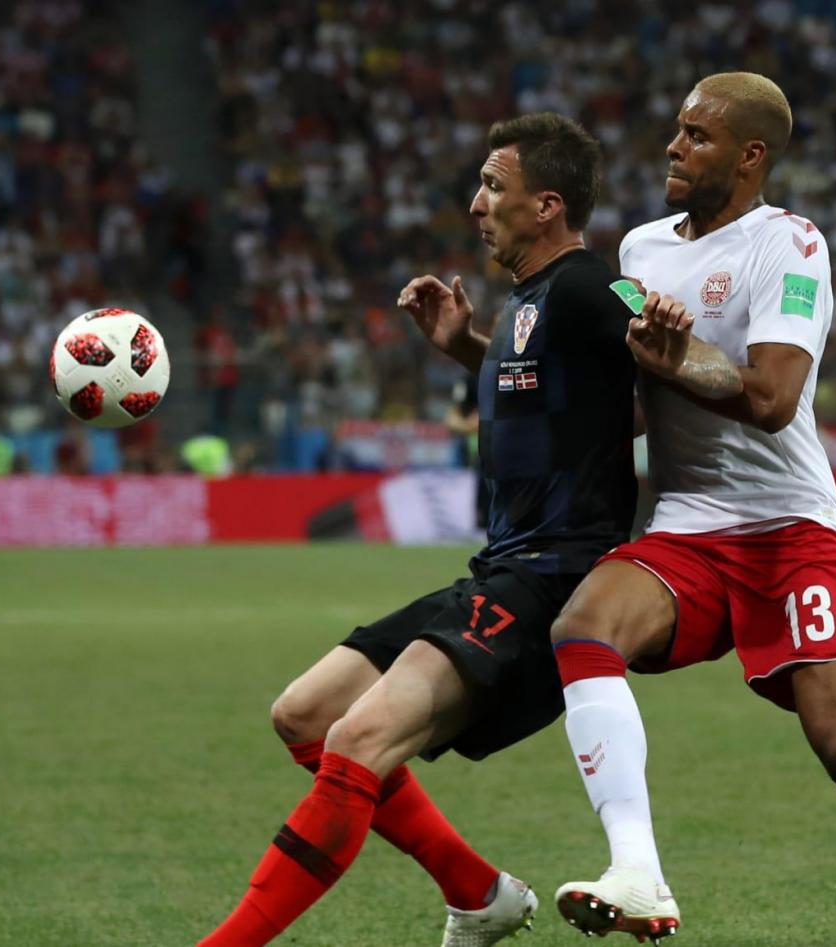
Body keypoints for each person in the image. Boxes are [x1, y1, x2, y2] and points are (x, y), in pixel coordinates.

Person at [546, 73, 836, 947]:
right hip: (686, 520)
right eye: (677, 129)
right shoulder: (640, 250)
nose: (673, 146)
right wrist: (486, 359)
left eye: (697, 135)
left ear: (749, 155)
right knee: (583, 628)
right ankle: (636, 870)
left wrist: (678, 356)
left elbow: (770, 398)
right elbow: (636, 400)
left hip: (789, 526)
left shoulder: (790, 245)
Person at [196, 112, 639, 947]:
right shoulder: (530, 299)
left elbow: (663, 362)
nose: (476, 203)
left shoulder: (588, 287)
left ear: (547, 205)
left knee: (358, 740)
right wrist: (464, 346)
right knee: (305, 713)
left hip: (551, 581)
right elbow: (571, 394)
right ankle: (478, 892)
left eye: (493, 186)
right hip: (499, 566)